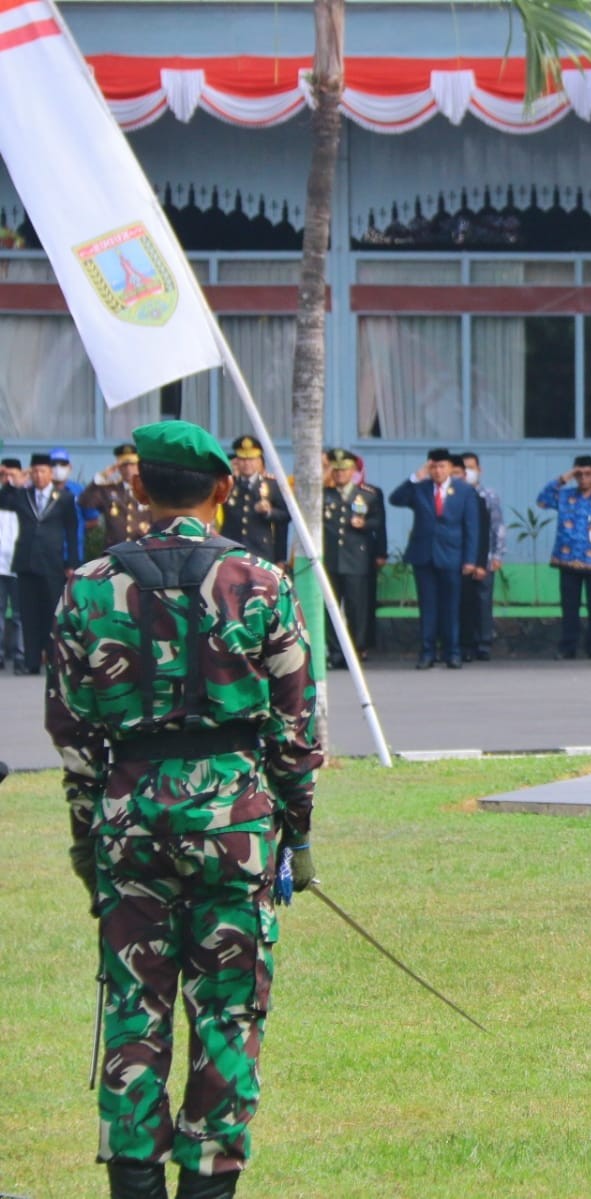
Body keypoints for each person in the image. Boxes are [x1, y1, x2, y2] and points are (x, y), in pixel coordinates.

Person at [44, 419, 322, 1199]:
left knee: (134, 1007)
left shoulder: (87, 584)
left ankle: (134, 1183)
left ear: (137, 486)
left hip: (129, 819)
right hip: (233, 826)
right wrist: (294, 836)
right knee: (228, 1015)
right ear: (223, 490)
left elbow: (69, 732)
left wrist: (86, 840)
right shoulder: (261, 580)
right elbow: (296, 732)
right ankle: (208, 1185)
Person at [390, 447, 479, 669]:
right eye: (434, 466)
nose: (438, 471)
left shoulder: (464, 491)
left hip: (452, 556)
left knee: (451, 607)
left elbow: (472, 527)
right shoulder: (420, 488)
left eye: (442, 466)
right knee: (427, 606)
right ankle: (427, 652)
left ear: (450, 467)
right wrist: (415, 477)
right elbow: (395, 499)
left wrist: (470, 559)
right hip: (424, 555)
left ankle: (452, 652)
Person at [0, 451, 80, 674]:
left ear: (50, 473)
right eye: (34, 471)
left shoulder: (63, 498)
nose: (38, 475)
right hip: (26, 562)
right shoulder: (22, 495)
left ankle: (53, 659)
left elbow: (72, 531)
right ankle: (31, 661)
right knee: (28, 613)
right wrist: (9, 481)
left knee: (51, 613)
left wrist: (72, 561)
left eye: (42, 471)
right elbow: (4, 500)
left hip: (52, 563)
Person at [537, 455, 591, 660]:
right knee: (569, 608)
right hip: (568, 561)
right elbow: (542, 500)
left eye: (587, 473)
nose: (583, 478)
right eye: (579, 474)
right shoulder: (565, 497)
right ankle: (568, 648)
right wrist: (564, 478)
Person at [321, 448, 386, 666]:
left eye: (344, 470)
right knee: (330, 608)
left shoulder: (367, 494)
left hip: (356, 560)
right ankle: (336, 651)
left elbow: (378, 522)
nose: (340, 475)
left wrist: (364, 524)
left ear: (352, 471)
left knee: (356, 609)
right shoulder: (324, 495)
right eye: (336, 470)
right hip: (331, 559)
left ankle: (356, 650)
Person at [460, 452, 505, 661]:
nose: (468, 472)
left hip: (485, 557)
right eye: (464, 468)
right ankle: (466, 644)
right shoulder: (457, 493)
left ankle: (484, 643)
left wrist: (496, 554)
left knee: (483, 601)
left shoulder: (489, 495)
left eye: (472, 467)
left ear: (479, 470)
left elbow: (497, 527)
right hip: (463, 560)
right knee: (464, 604)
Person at [220, 436, 287, 566]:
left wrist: (269, 512)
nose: (247, 463)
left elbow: (285, 517)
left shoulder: (271, 485)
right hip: (232, 550)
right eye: (243, 459)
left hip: (261, 552)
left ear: (259, 461)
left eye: (251, 459)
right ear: (236, 461)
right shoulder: (229, 485)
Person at [79, 443, 154, 549]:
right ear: (118, 467)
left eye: (132, 464)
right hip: (115, 549)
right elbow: (85, 502)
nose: (128, 469)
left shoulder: (149, 489)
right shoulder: (109, 490)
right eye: (124, 465)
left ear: (139, 466)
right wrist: (101, 477)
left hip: (142, 549)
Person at [50, 446, 93, 559]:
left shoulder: (78, 490)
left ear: (70, 467)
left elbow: (93, 519)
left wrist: (76, 528)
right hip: (47, 556)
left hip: (73, 554)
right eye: (53, 464)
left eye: (63, 464)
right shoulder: (41, 492)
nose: (58, 468)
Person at [0, 457, 22, 670]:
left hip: (17, 565)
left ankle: (19, 655)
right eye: (4, 475)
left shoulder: (25, 498)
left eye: (12, 475)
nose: (8, 480)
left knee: (18, 614)